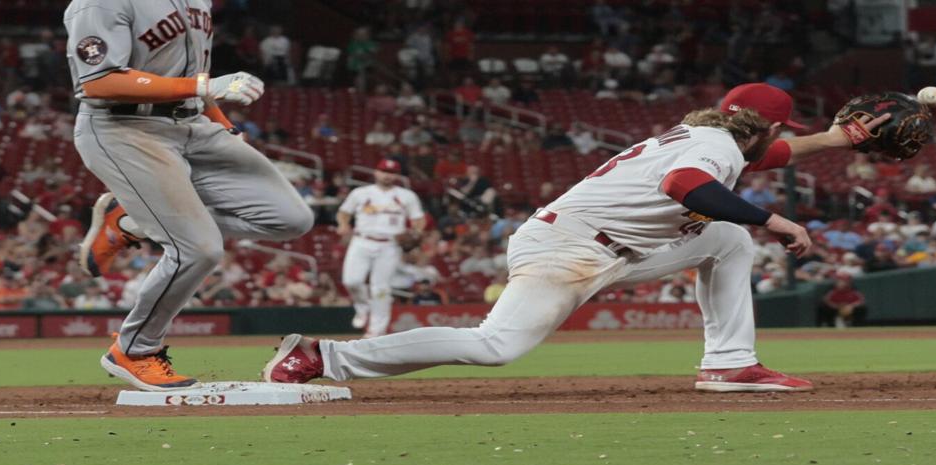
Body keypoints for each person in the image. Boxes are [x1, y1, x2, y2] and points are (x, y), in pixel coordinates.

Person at [263, 83, 892, 392]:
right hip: (568, 249)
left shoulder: (713, 137)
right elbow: (686, 186)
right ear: (762, 125)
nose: (779, 142)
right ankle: (321, 356)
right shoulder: (707, 150)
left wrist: (836, 140)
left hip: (614, 248)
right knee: (494, 347)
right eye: (780, 131)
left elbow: (766, 154)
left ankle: (729, 365)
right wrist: (773, 219)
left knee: (726, 242)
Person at [66, 0, 313, 390]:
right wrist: (200, 86)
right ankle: (135, 350)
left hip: (193, 122)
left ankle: (130, 223)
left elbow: (191, 74)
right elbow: (99, 81)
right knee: (199, 248)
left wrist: (223, 125)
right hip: (124, 129)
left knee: (290, 219)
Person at [336, 159, 427, 337]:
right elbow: (344, 212)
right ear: (376, 173)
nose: (387, 175)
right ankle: (362, 307)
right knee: (351, 281)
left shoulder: (407, 195)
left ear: (397, 175)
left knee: (381, 289)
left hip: (390, 245)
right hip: (362, 240)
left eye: (392, 172)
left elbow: (418, 218)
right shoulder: (361, 193)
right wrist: (343, 224)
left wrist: (416, 231)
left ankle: (376, 331)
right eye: (384, 171)